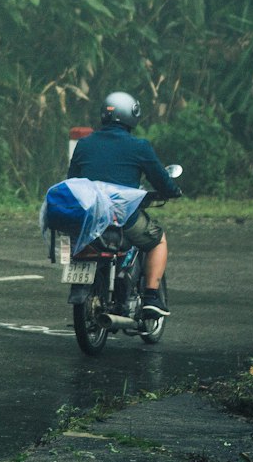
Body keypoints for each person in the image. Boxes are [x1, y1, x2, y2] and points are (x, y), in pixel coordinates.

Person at [67, 90, 181, 318]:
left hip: (88, 219)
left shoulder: (84, 145)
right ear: (132, 115)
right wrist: (172, 190)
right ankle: (150, 297)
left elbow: (72, 181)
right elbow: (160, 179)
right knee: (158, 240)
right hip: (121, 217)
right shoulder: (139, 146)